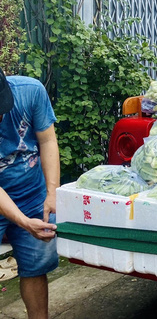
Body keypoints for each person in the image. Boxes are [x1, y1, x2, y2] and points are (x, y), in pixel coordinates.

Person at [0, 68, 60, 319]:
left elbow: (47, 141)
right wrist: (24, 222)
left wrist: (52, 192)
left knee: (36, 267)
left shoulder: (30, 92)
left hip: (32, 194)